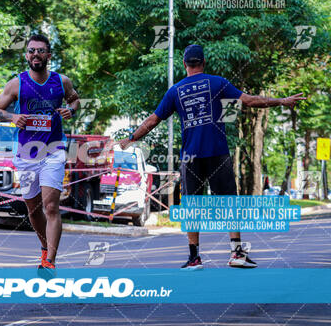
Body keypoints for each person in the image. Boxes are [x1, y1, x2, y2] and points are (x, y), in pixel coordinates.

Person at [119, 44, 305, 270]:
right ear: (204, 62)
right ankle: (236, 252)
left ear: (185, 64)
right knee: (229, 202)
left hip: (190, 156)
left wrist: (130, 138)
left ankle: (194, 257)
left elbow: (152, 120)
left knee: (191, 205)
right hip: (218, 153)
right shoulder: (217, 82)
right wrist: (282, 101)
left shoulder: (175, 90)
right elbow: (250, 101)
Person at [0, 34, 80, 270]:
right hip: (26, 153)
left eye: (40, 51)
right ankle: (44, 248)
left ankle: (50, 261)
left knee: (51, 206)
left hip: (53, 149)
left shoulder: (62, 81)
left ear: (48, 55)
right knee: (33, 209)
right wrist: (13, 117)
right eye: (31, 51)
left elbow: (75, 100)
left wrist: (70, 109)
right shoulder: (17, 83)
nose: (35, 55)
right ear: (27, 55)